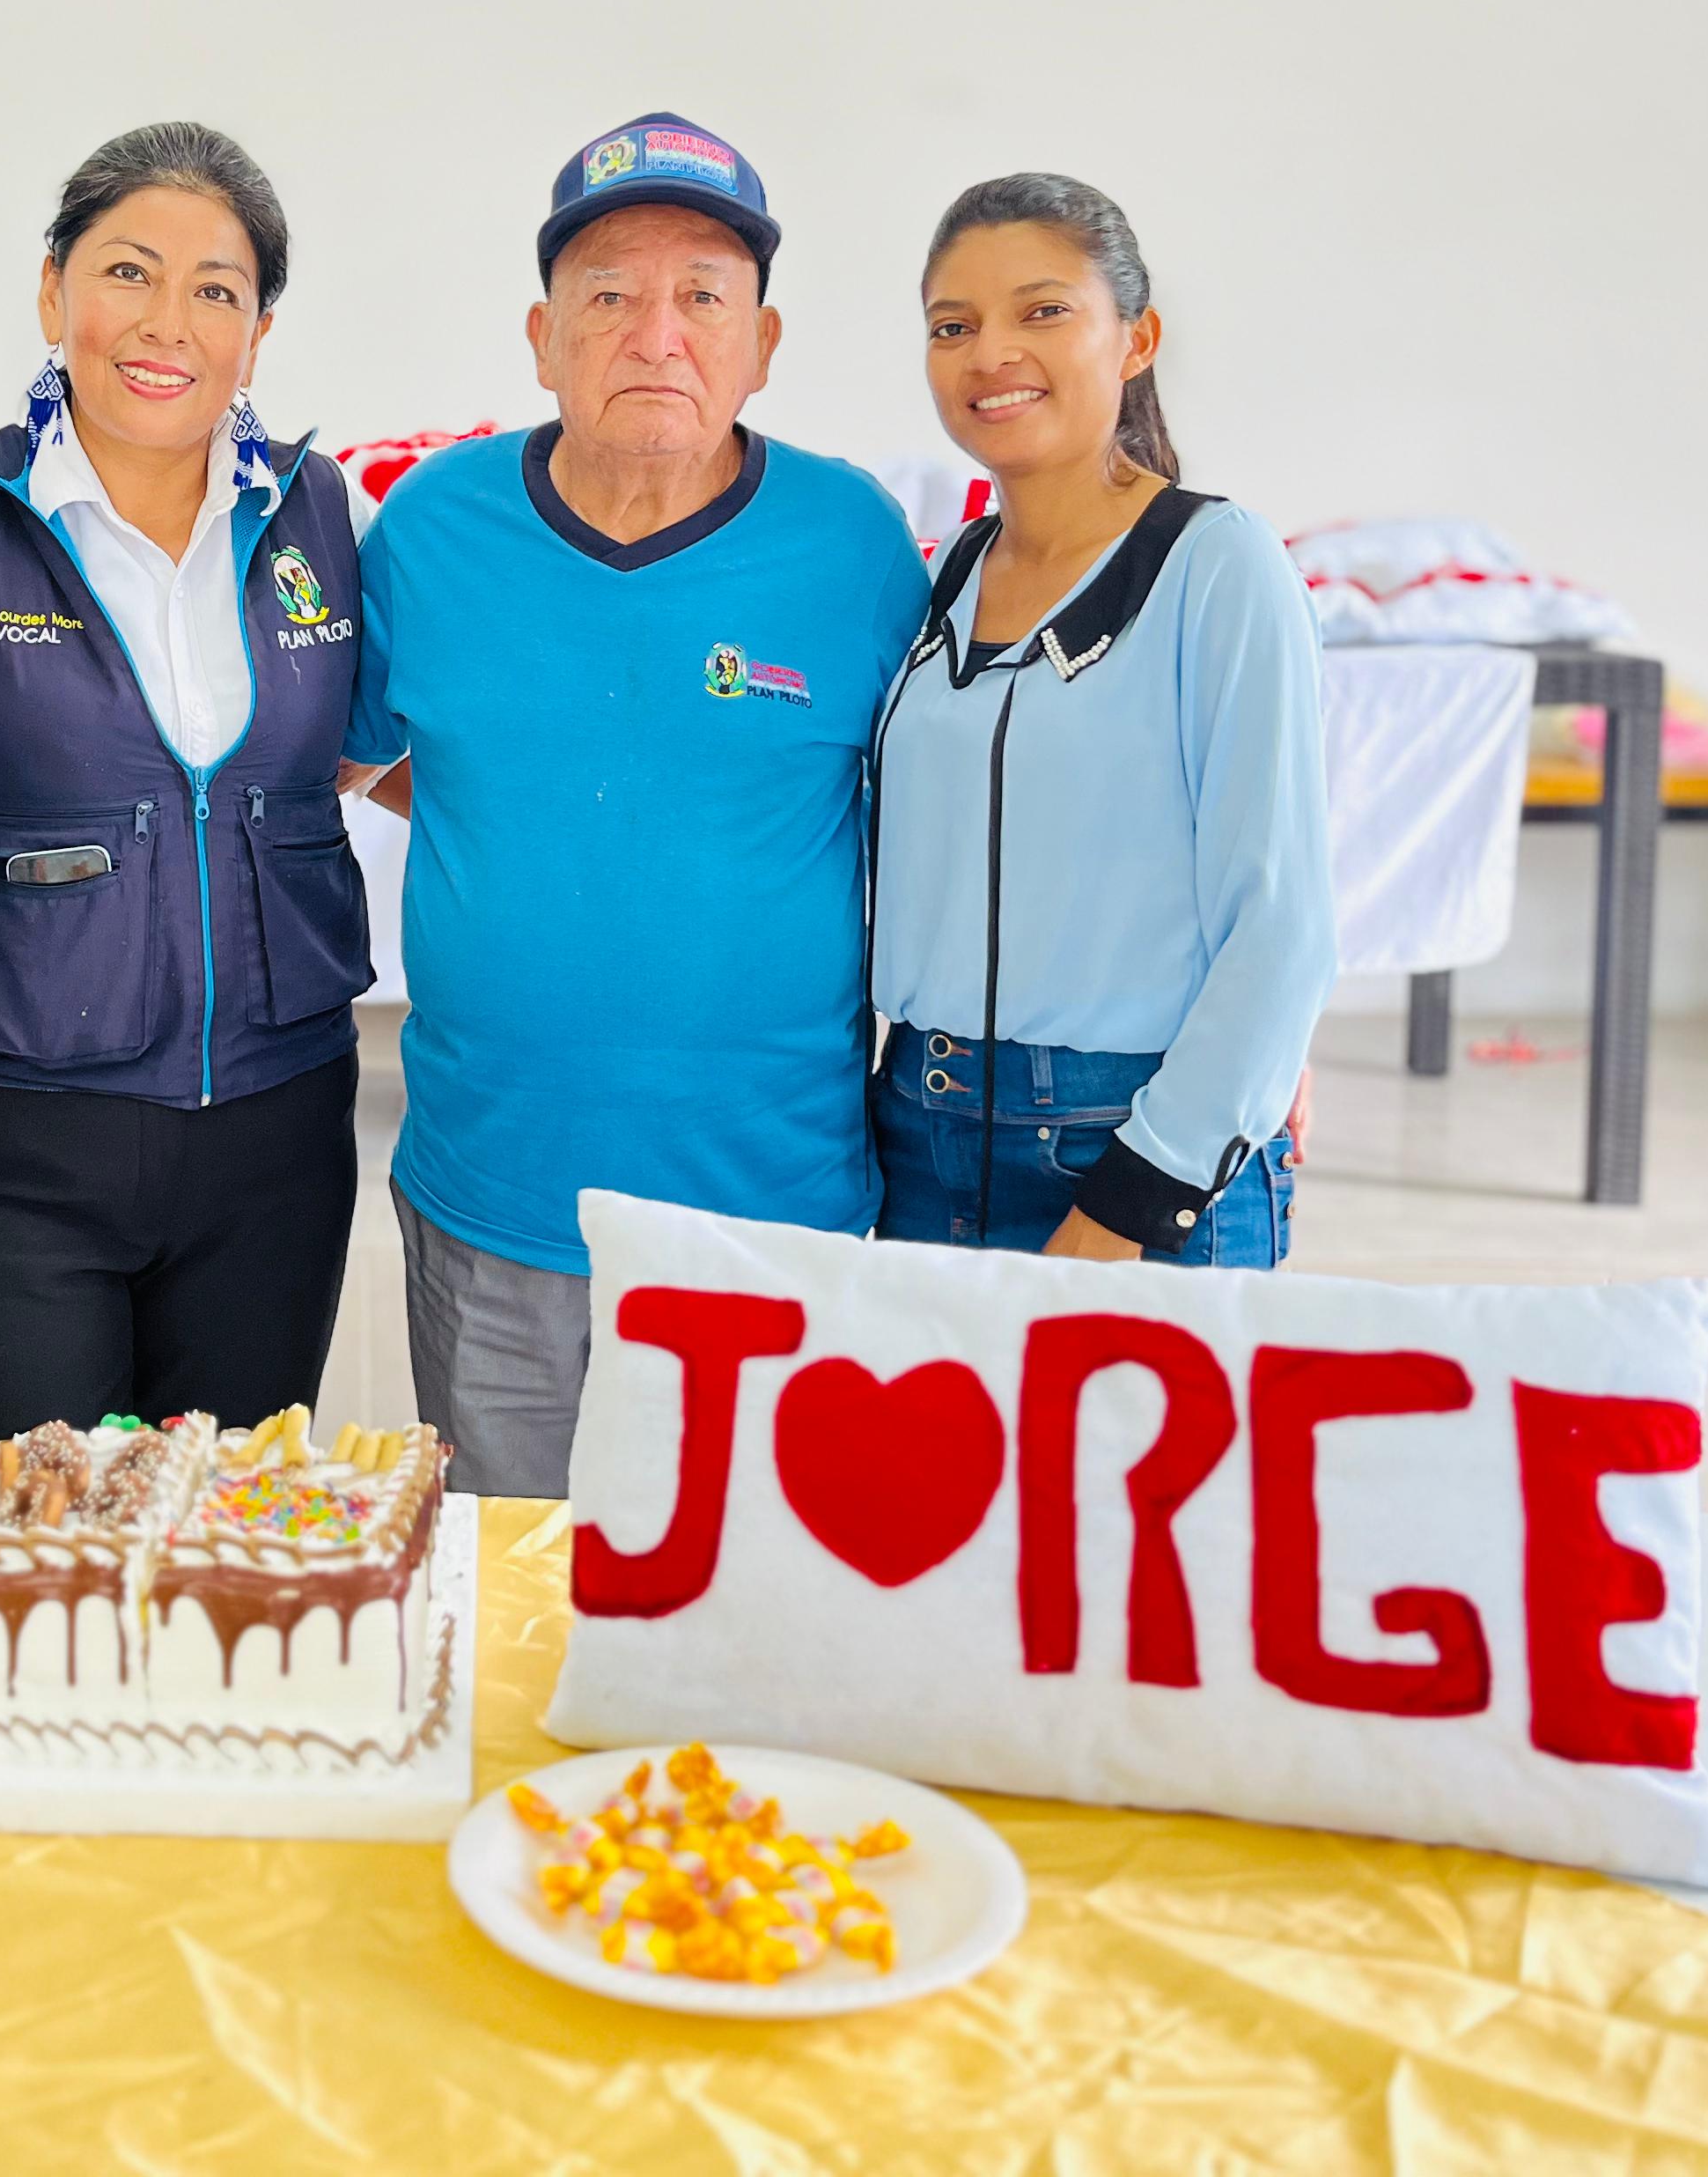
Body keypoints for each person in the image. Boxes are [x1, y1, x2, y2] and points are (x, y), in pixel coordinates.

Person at [341, 113, 931, 1496]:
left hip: (770, 1215)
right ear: (542, 338)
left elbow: (945, 824)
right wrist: (512, 816)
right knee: (513, 1591)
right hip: (496, 1197)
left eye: (702, 297)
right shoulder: (433, 526)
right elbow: (353, 757)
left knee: (756, 1587)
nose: (656, 335)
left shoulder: (853, 545)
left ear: (762, 344)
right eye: (608, 296)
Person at [0, 124, 374, 1487]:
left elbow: (334, 763)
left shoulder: (323, 515)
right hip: (3, 1158)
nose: (166, 322)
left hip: (277, 1150)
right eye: (128, 271)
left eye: (215, 290)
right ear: (53, 289)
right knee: (37, 1563)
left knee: (228, 1554)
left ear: (258, 333)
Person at [867, 173, 1333, 1263]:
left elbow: (1282, 923)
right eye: (952, 326)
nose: (990, 353)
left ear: (1137, 340)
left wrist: (1144, 1192)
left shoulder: (1219, 566)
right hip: (920, 1138)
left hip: (1131, 1145)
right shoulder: (948, 575)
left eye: (1042, 311)